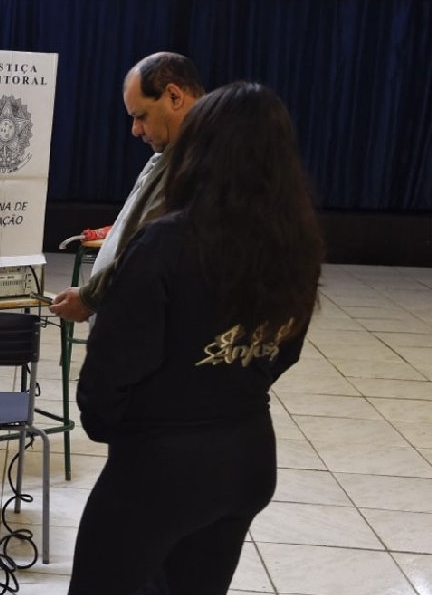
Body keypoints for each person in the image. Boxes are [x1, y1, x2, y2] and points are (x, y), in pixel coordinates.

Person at [67, 82, 324, 594]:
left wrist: (121, 429)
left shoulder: (168, 241)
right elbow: (285, 351)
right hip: (249, 454)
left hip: (162, 462)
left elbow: (112, 366)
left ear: (200, 151)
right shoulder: (298, 243)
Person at [51, 52, 204, 324]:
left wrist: (90, 298)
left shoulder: (197, 158)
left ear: (174, 96)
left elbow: (150, 249)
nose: (135, 129)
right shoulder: (172, 152)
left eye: (141, 116)